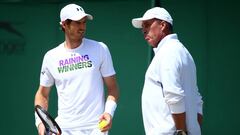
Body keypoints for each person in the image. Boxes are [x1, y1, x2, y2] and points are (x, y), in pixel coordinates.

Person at [34, 3, 119, 135]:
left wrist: (109, 112)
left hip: (96, 128)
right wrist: (40, 124)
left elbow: (113, 88)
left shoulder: (100, 49)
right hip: (63, 129)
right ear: (64, 24)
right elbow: (42, 94)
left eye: (84, 22)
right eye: (77, 23)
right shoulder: (51, 57)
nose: (82, 27)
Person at [131, 7, 203, 135]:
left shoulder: (168, 52)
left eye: (147, 25)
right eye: (143, 27)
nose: (144, 31)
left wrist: (181, 131)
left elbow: (173, 94)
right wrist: (193, 129)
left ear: (163, 25)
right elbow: (197, 100)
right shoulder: (182, 52)